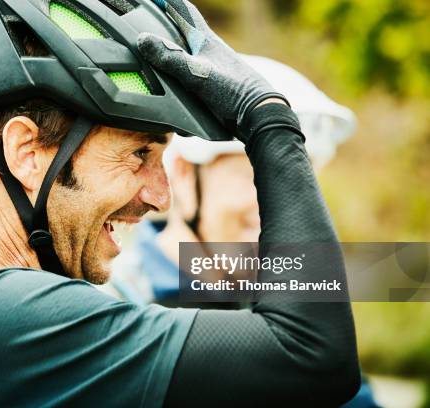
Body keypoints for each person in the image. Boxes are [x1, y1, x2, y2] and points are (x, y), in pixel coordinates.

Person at [0, 0, 360, 406]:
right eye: (138, 154)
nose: (160, 196)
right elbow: (312, 358)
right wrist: (268, 122)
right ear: (27, 152)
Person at [103, 56, 381, 408]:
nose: (286, 212)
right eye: (260, 176)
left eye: (299, 183)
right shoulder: (112, 307)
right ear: (186, 178)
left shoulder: (295, 306)